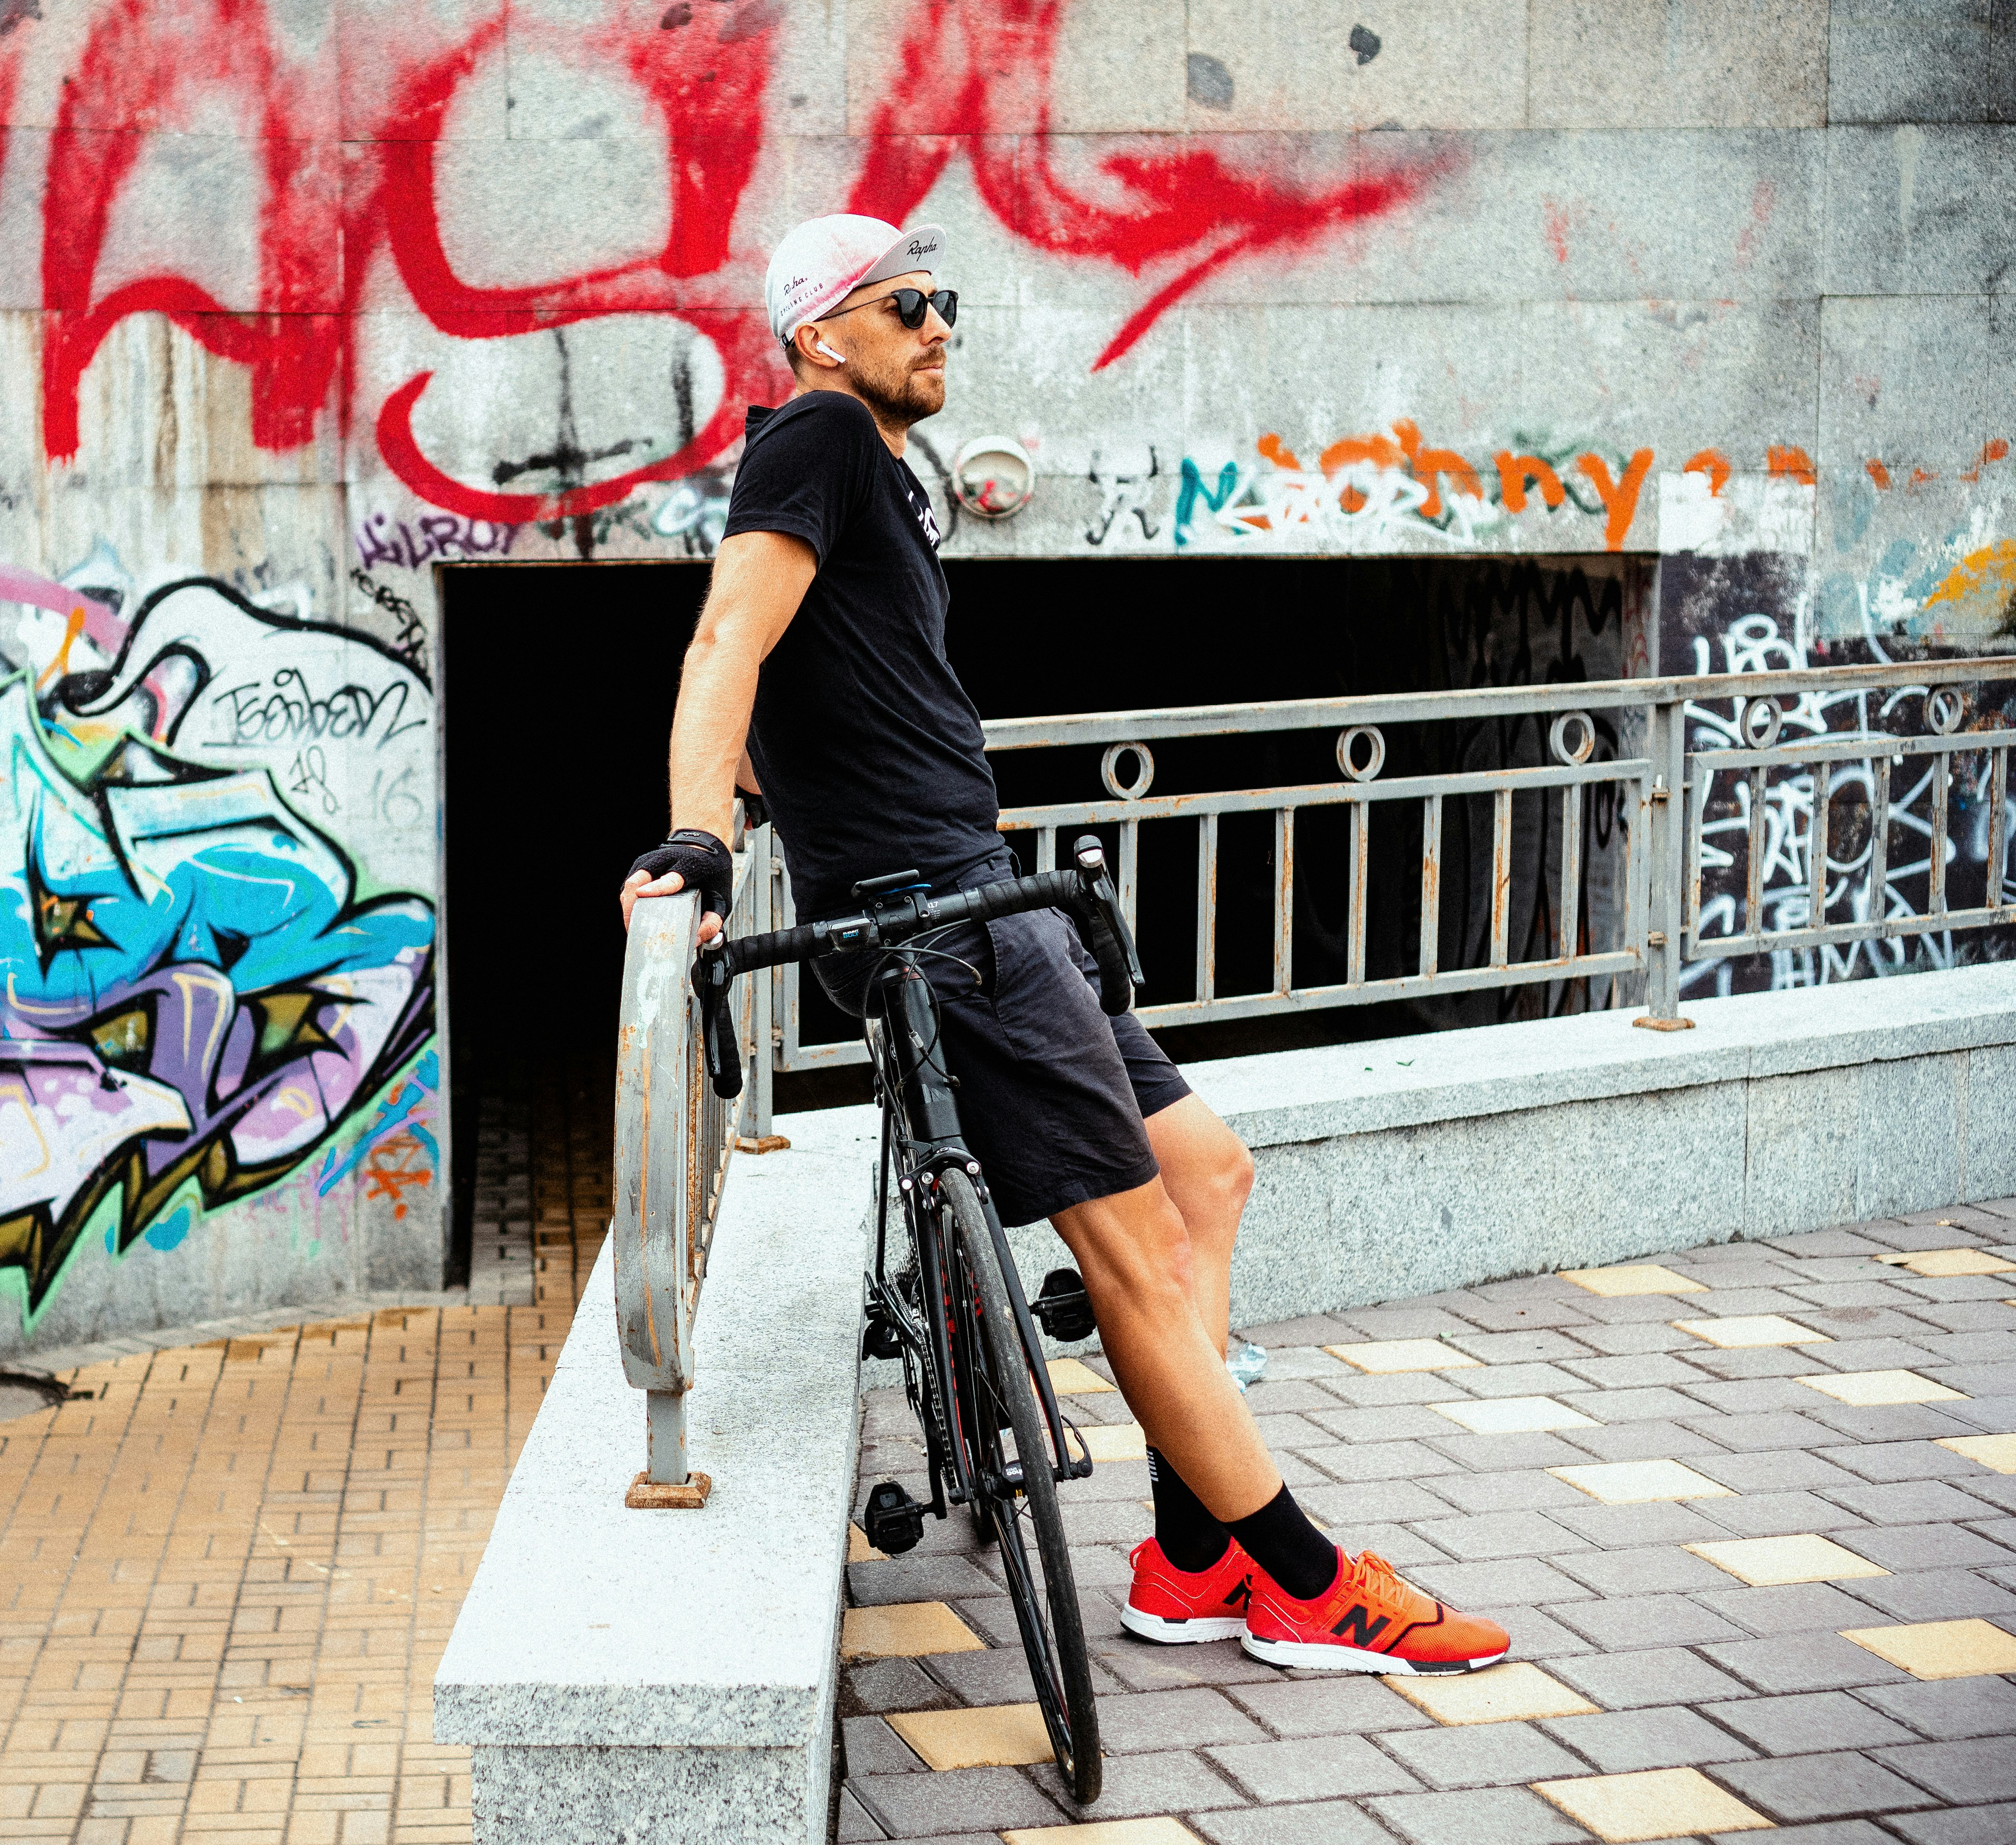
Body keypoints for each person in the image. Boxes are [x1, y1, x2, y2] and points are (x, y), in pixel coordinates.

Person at [616, 214, 1507, 1675]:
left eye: (943, 301)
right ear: (821, 336)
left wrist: (806, 797)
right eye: (906, 305)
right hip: (938, 925)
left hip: (977, 891)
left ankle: (1188, 1552)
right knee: (1139, 1245)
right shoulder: (818, 444)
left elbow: (795, 682)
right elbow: (727, 639)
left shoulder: (881, 481)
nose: (938, 324)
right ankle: (1303, 1581)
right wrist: (699, 844)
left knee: (1208, 1171)